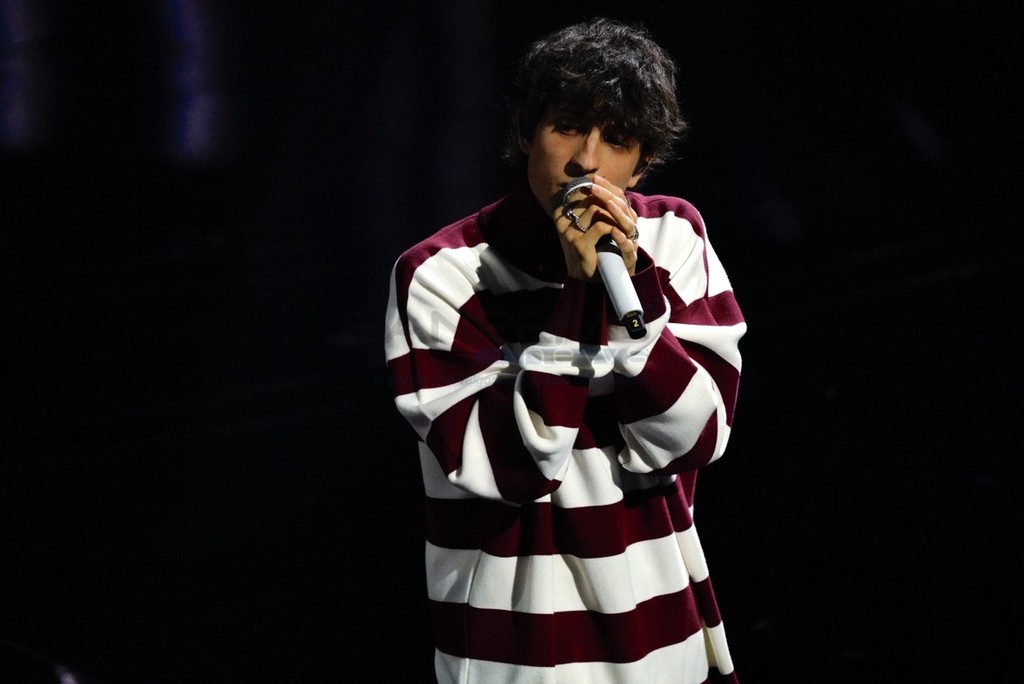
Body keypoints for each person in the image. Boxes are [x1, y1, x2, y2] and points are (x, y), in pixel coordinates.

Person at [384, 16, 745, 684]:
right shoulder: (441, 274)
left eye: (618, 139)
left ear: (644, 162)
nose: (586, 161)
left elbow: (696, 437)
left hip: (662, 636)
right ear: (526, 130)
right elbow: (511, 469)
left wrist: (632, 295)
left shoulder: (675, 236)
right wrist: (579, 298)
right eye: (568, 126)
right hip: (517, 648)